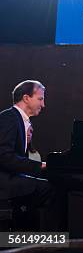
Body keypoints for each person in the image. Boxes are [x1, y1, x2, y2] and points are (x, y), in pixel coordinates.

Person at [0, 80, 53, 230]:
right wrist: (40, 165)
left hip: (11, 178)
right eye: (40, 99)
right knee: (49, 189)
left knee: (47, 185)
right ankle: (39, 241)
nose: (43, 105)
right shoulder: (9, 118)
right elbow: (3, 156)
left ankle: (29, 236)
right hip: (4, 181)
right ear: (26, 98)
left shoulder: (19, 119)